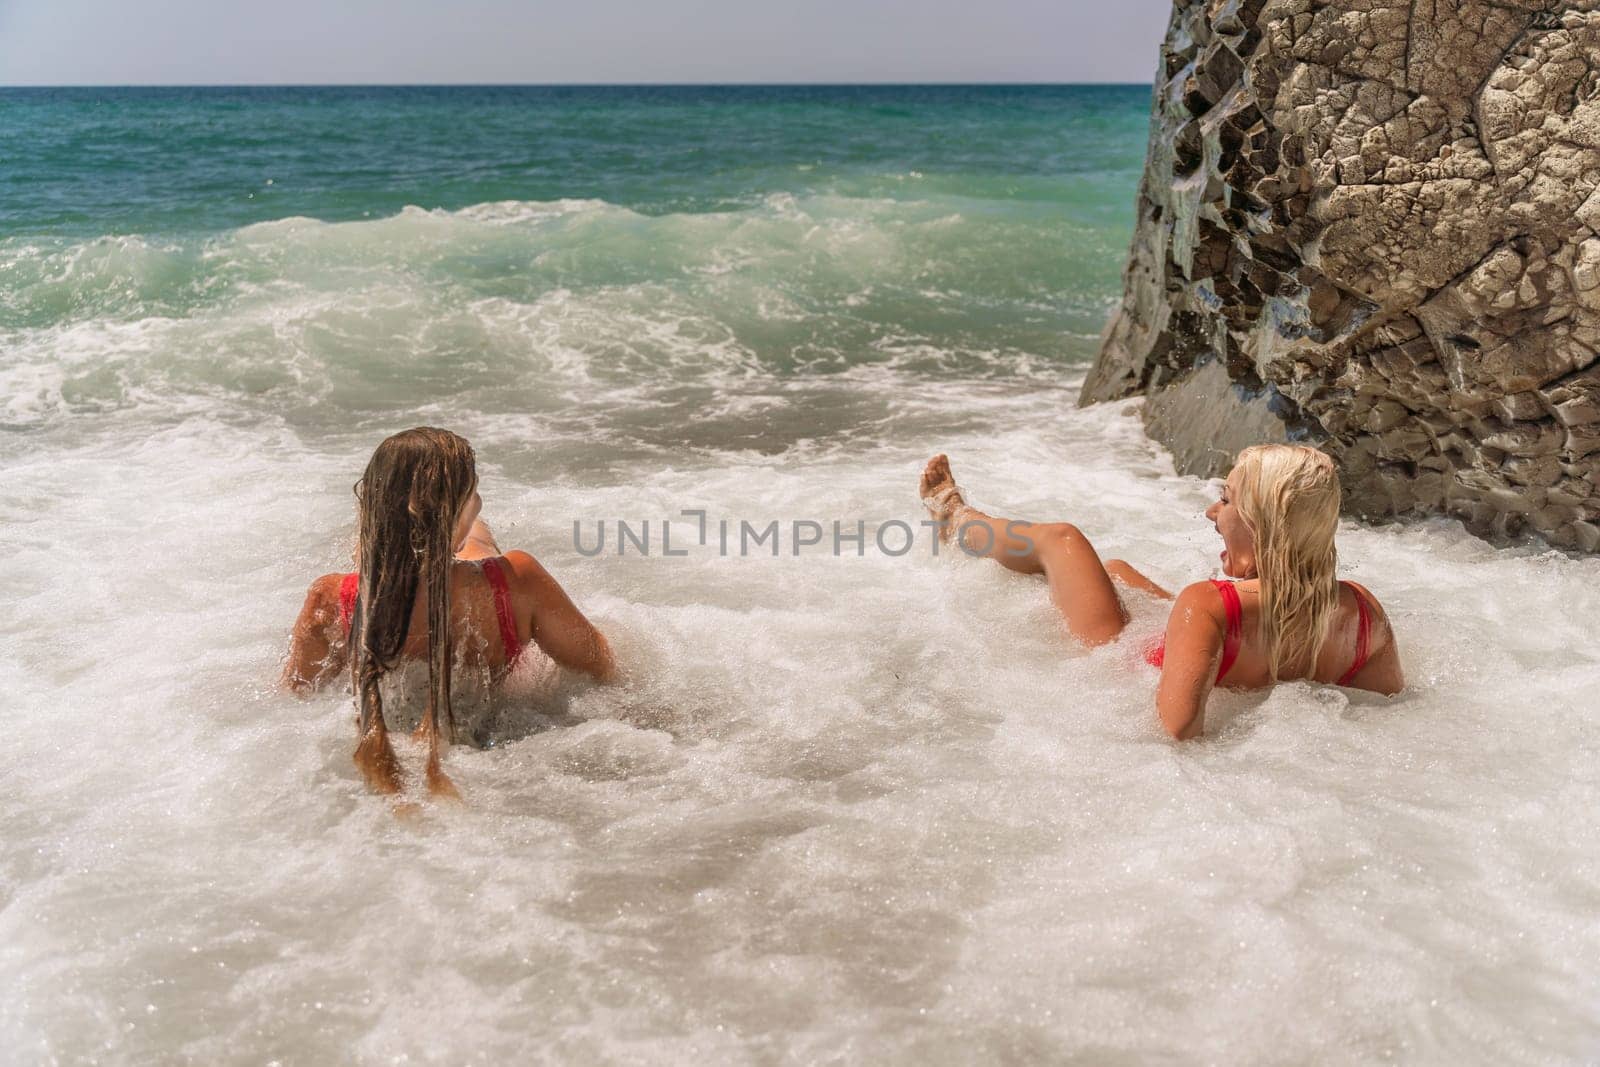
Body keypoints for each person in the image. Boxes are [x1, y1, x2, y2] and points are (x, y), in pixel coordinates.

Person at [919, 444, 1403, 739]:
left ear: (1261, 525)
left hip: (1121, 656)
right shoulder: (1363, 610)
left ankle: (955, 518)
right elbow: (1386, 708)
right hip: (1199, 635)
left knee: (1060, 540)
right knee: (1118, 571)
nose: (1213, 514)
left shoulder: (1208, 602)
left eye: (1225, 500)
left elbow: (1176, 728)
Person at [283, 427, 615, 795]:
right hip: (498, 752)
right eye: (473, 494)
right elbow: (600, 667)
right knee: (479, 543)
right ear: (458, 509)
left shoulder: (331, 599)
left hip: (387, 713)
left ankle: (400, 537)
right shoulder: (518, 582)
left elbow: (298, 697)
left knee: (385, 557)